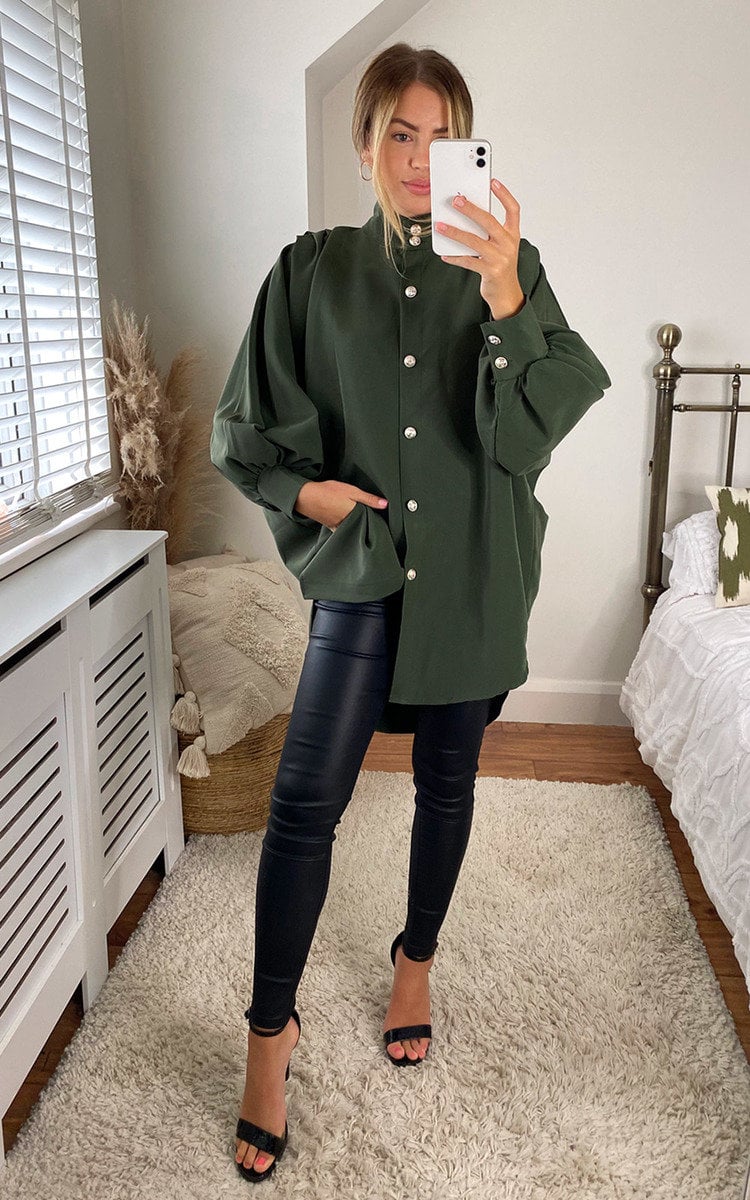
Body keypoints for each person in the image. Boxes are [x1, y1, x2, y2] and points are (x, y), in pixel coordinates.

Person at [210, 42, 611, 1184]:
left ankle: (416, 962)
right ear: (365, 143)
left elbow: (527, 437)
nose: (422, 159)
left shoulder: (509, 269)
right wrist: (313, 496)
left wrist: (506, 300)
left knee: (446, 786)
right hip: (365, 568)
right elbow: (244, 432)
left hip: (474, 571)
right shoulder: (312, 272)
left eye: (444, 138)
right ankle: (269, 1034)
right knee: (302, 805)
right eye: (400, 133)